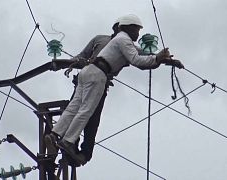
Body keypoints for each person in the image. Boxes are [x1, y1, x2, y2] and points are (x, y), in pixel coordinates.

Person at [46, 14, 184, 166]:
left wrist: (166, 60)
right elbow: (138, 60)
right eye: (136, 29)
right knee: (86, 110)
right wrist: (158, 59)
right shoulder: (124, 39)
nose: (137, 34)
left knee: (73, 108)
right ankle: (68, 141)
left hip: (86, 72)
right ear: (127, 27)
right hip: (98, 74)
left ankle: (54, 134)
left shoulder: (119, 41)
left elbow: (144, 55)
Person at [45, 18, 121, 166]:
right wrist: (69, 63)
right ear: (115, 29)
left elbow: (141, 55)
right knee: (87, 117)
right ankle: (75, 150)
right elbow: (82, 55)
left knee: (77, 112)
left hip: (92, 81)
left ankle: (63, 143)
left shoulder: (124, 44)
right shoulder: (101, 40)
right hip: (93, 81)